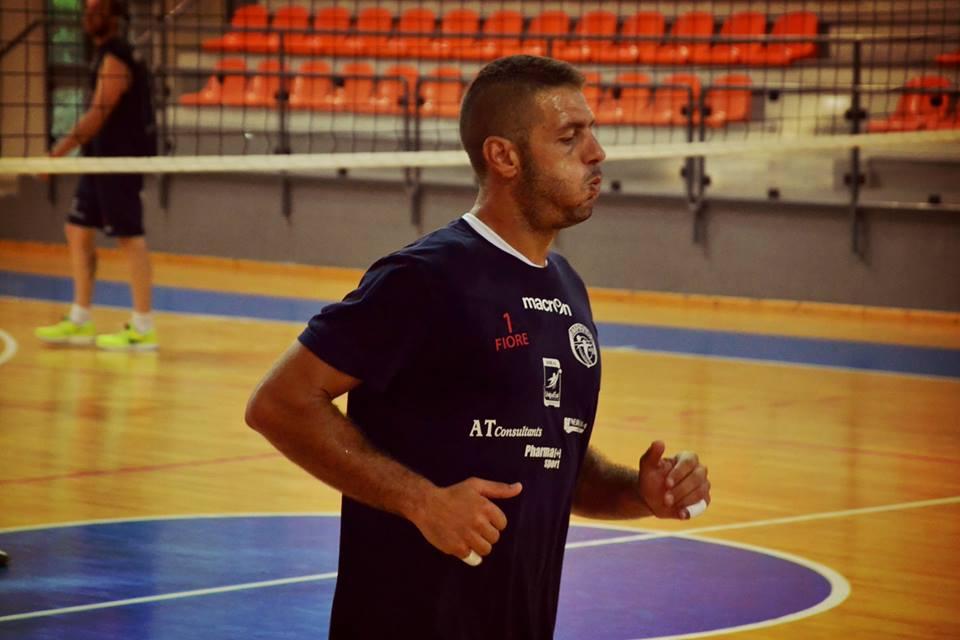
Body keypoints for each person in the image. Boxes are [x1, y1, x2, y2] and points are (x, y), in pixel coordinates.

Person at [245, 55, 711, 639]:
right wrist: (422, 501)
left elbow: (549, 459)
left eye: (591, 132)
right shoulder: (426, 277)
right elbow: (279, 403)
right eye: (570, 137)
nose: (596, 153)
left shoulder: (566, 287)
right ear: (504, 156)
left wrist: (638, 493)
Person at [35, 0, 158, 350]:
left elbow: (97, 114)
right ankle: (80, 318)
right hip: (97, 159)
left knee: (129, 237)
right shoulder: (103, 53)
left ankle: (143, 326)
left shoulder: (117, 56)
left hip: (118, 161)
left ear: (114, 17)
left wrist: (56, 153)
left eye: (97, 10)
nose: (88, 16)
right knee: (77, 229)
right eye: (86, 10)